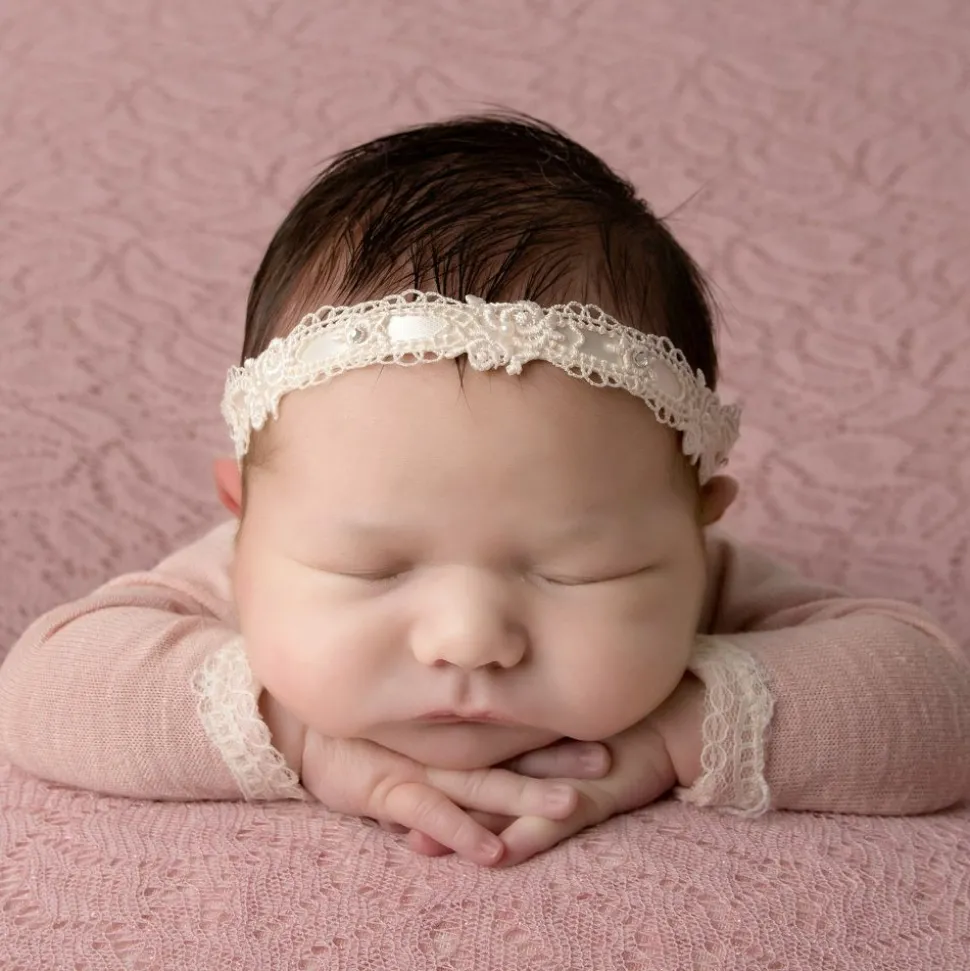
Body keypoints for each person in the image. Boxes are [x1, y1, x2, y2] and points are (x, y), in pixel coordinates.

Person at [1, 114, 967, 868]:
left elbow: (934, 706)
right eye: (368, 567)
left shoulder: (701, 582)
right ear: (247, 518)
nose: (468, 639)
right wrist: (298, 738)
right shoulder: (245, 574)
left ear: (696, 527)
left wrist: (681, 731)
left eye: (581, 570)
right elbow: (43, 690)